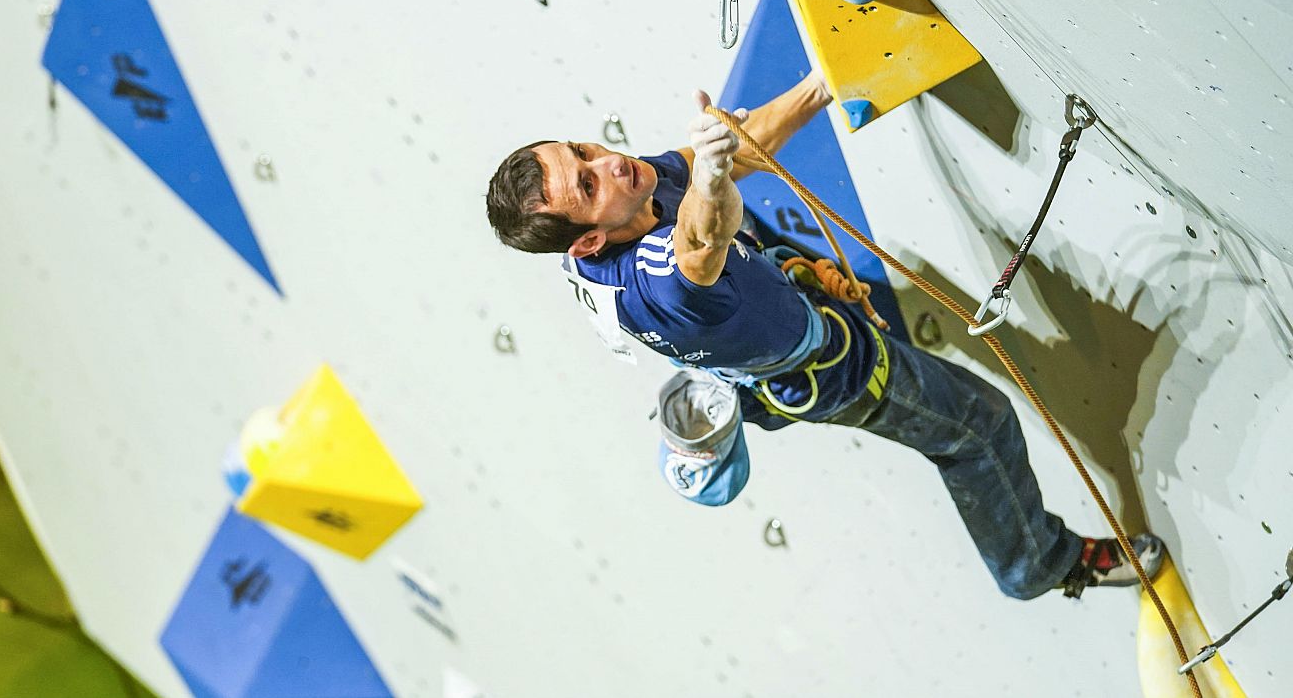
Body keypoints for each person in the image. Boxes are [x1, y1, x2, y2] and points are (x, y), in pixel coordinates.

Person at [484, 71, 1162, 600]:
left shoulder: (634, 188)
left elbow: (741, 153)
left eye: (582, 149)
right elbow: (702, 238)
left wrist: (822, 83)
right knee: (978, 427)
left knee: (967, 417)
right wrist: (715, 175)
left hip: (775, 320)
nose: (607, 162)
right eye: (587, 182)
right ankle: (1035, 564)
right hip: (827, 371)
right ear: (592, 241)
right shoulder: (650, 283)